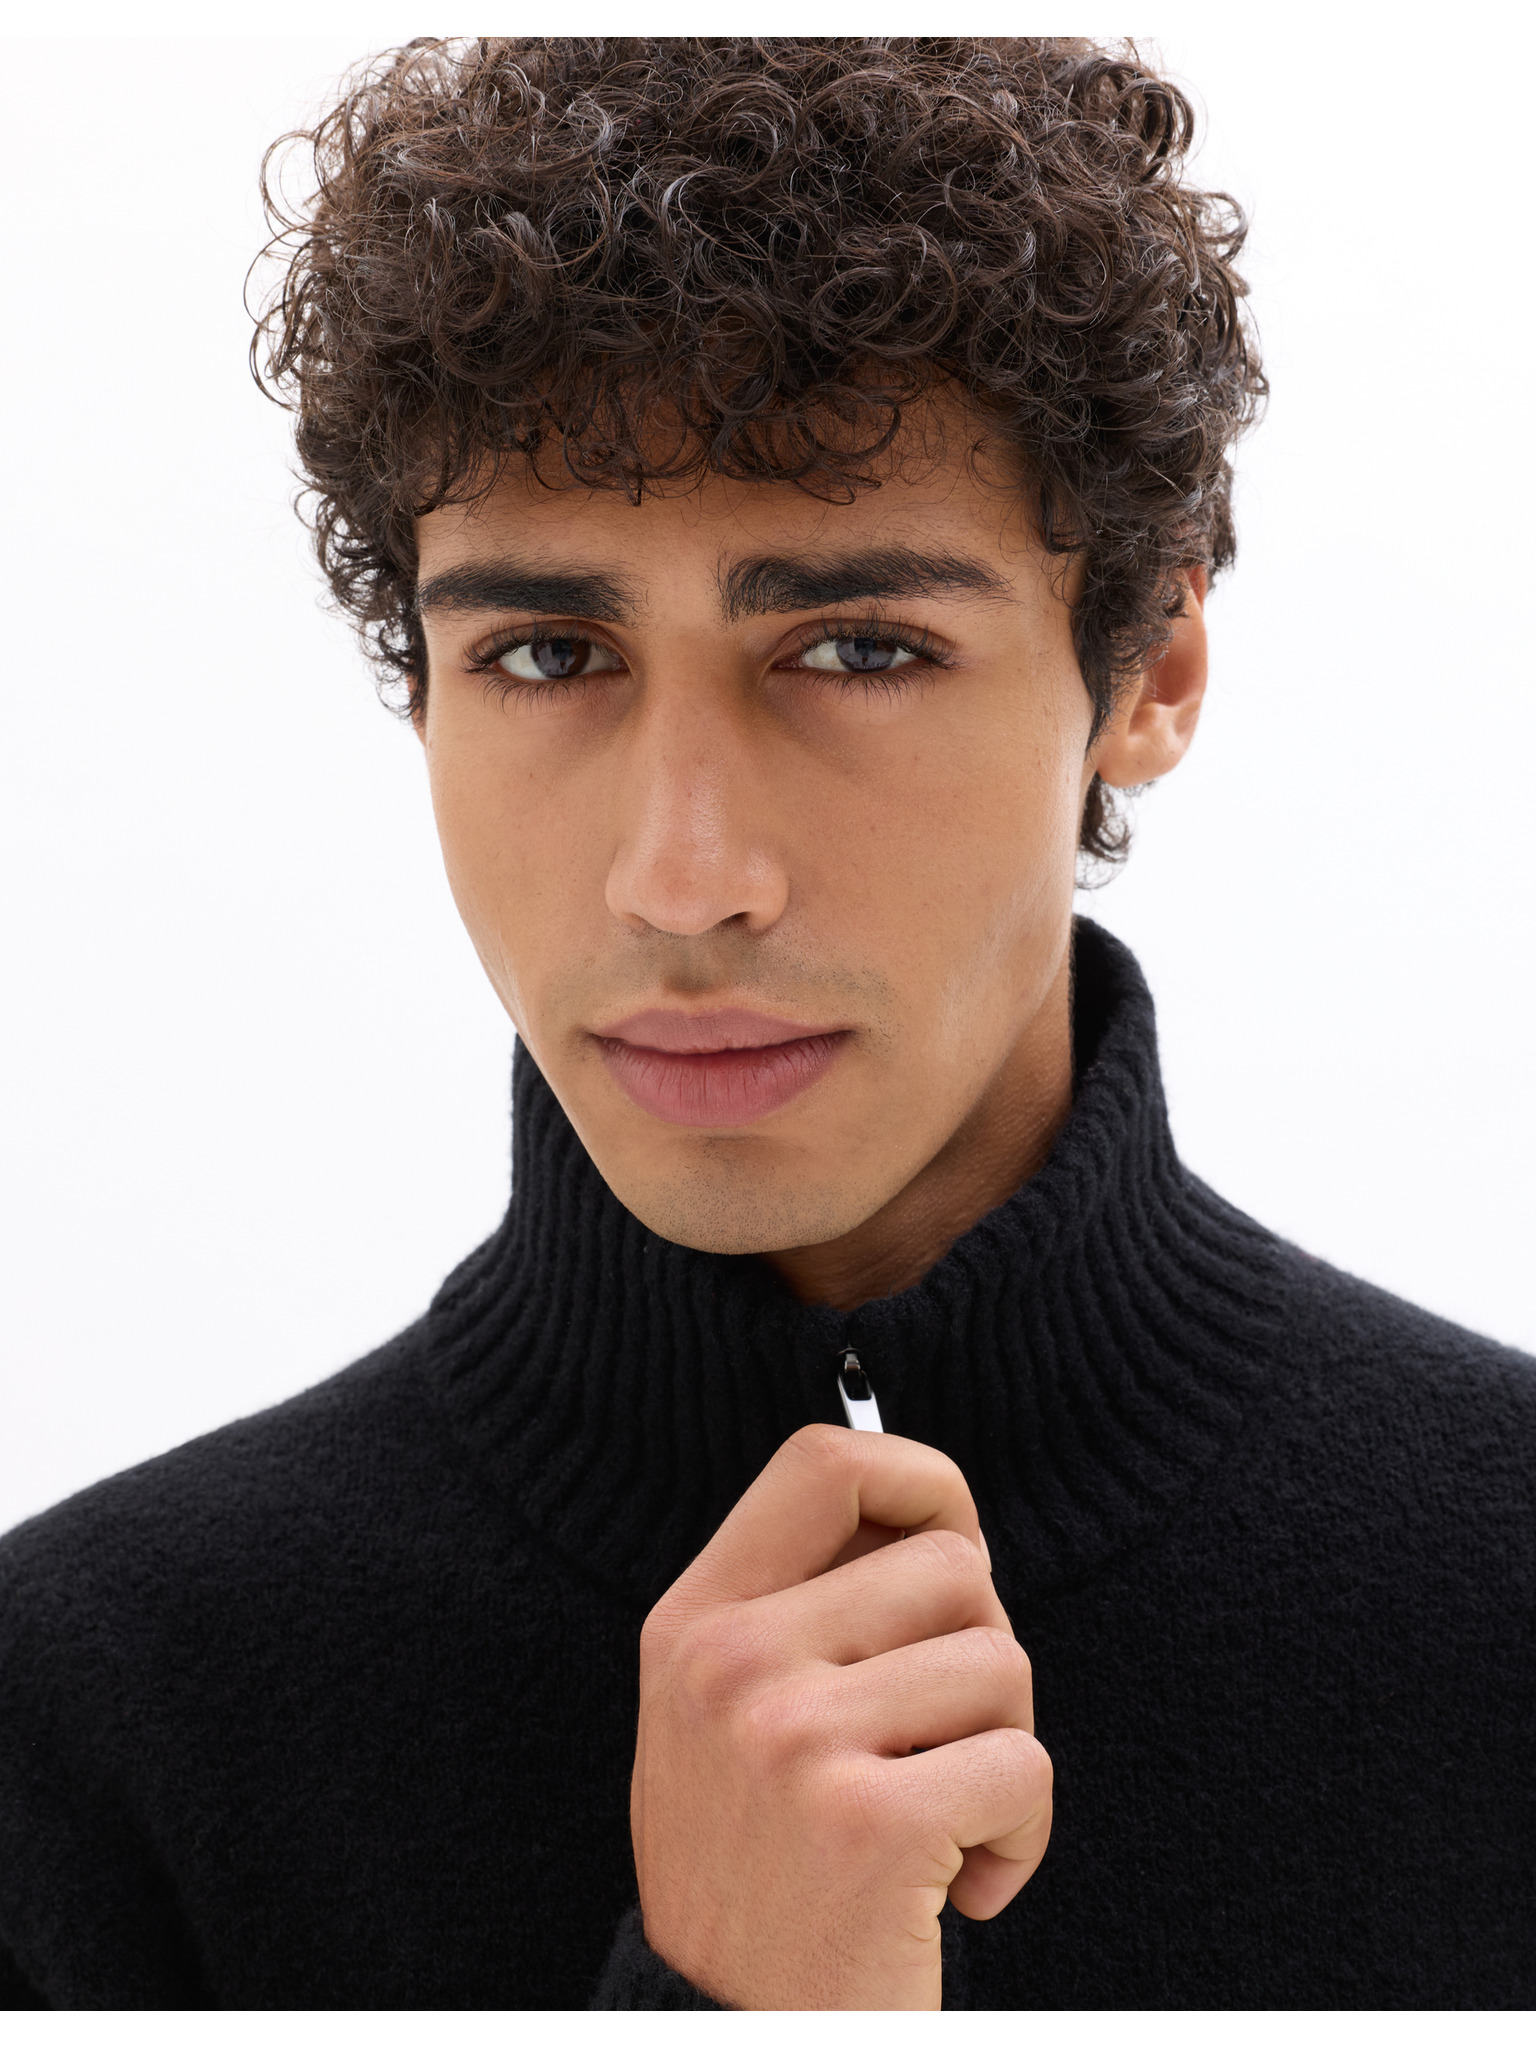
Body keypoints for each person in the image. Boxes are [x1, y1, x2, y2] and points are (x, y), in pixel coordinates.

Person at [0, 35, 1530, 2012]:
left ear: (1150, 670)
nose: (683, 873)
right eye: (547, 653)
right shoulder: (91, 1714)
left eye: (858, 646)